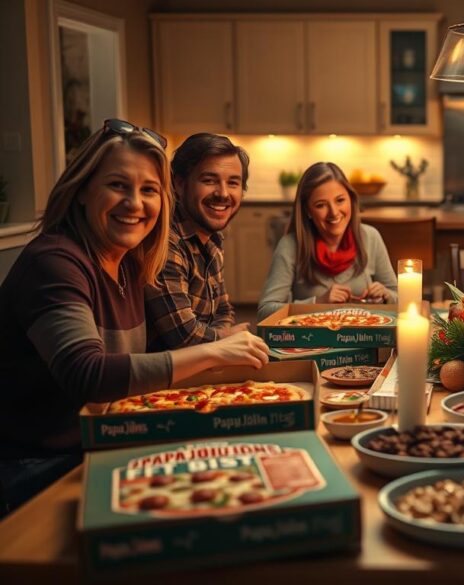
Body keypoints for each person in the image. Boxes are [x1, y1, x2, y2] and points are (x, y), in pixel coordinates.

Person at [0, 121, 269, 515]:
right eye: (117, 186)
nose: (135, 204)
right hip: (36, 466)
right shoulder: (55, 263)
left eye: (148, 190)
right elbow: (87, 376)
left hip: (107, 439)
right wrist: (217, 352)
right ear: (81, 191)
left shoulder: (132, 261)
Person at [145, 133, 251, 350]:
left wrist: (222, 334)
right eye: (209, 180)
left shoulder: (211, 236)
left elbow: (223, 310)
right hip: (171, 376)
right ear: (180, 184)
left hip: (205, 362)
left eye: (233, 183)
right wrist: (226, 338)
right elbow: (184, 337)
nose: (223, 193)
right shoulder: (166, 242)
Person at [258, 162, 398, 320]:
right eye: (321, 205)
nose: (333, 212)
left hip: (364, 339)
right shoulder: (290, 245)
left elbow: (401, 299)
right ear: (307, 211)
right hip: (311, 342)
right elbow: (265, 311)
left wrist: (387, 296)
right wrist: (318, 303)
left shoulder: (371, 237)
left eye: (340, 200)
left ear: (351, 200)